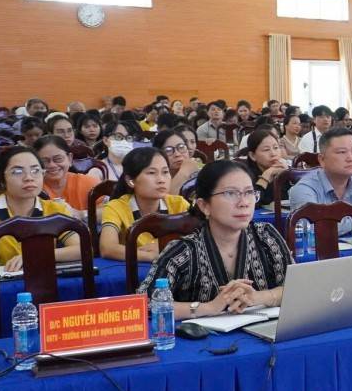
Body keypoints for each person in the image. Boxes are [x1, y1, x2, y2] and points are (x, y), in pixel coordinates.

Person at [138, 160, 293, 318]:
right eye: (230, 193)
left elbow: (297, 287)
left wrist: (258, 297)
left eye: (249, 192)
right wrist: (208, 308)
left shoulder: (265, 236)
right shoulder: (183, 251)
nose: (244, 203)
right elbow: (145, 304)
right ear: (204, 205)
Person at [0, 146, 81, 274]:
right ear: (2, 180)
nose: (29, 177)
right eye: (18, 172)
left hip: (42, 279)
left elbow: (81, 248)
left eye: (35, 170)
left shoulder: (56, 209)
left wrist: (36, 255)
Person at [99, 147, 191, 262]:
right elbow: (107, 248)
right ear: (130, 181)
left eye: (165, 172)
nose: (161, 179)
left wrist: (164, 246)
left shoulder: (179, 204)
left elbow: (203, 238)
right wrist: (153, 256)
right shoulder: (116, 206)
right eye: (152, 173)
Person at [288, 127, 352, 235]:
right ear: (322, 159)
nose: (351, 158)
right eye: (342, 152)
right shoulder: (304, 189)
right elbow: (313, 230)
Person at [35, 136, 99, 219]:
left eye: (58, 159)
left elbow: (108, 210)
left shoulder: (89, 183)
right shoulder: (32, 188)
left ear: (70, 158)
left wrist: (81, 214)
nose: (52, 165)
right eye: (44, 161)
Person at [242, 129, 288, 207]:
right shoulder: (244, 175)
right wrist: (266, 175)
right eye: (266, 150)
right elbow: (250, 203)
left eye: (276, 148)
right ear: (253, 156)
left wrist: (288, 175)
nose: (273, 154)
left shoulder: (284, 170)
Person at [153, 128, 198, 197]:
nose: (177, 154)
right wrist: (184, 172)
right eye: (168, 150)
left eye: (181, 147)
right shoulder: (154, 178)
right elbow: (165, 202)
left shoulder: (199, 173)